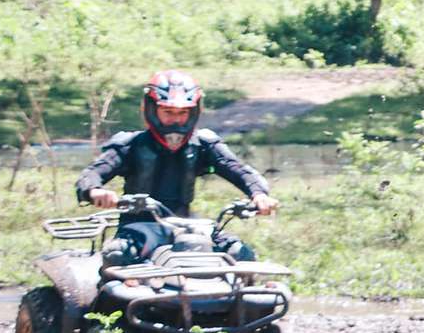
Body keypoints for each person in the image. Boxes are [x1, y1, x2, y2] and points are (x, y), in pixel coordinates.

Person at [75, 70, 278, 266]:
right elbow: (92, 174)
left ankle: (235, 299)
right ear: (152, 110)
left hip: (188, 227)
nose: (176, 119)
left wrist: (258, 194)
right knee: (117, 254)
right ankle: (108, 299)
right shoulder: (130, 145)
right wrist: (95, 191)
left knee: (240, 254)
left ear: (194, 112)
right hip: (140, 228)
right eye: (168, 112)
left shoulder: (204, 144)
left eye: (183, 112)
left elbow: (238, 169)